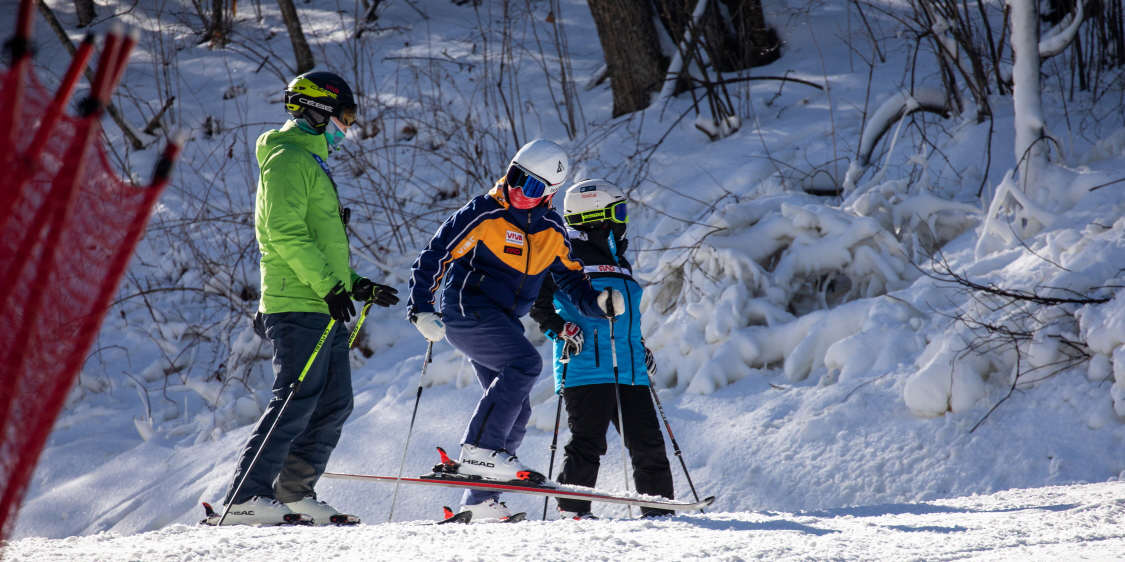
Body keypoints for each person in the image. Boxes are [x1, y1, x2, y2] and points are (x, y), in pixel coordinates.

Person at [406, 140, 624, 520]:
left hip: (502, 321)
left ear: (549, 194)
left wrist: (598, 303)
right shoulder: (484, 212)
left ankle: (480, 500)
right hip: (466, 308)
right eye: (516, 177)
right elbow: (434, 255)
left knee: (517, 406)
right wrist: (420, 308)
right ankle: (478, 450)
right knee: (525, 363)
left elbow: (571, 280)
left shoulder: (553, 230)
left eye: (534, 187)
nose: (520, 190)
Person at [217, 71, 400, 526]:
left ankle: (294, 494)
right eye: (345, 115)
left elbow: (319, 241)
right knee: (296, 397)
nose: (348, 125)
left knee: (335, 402)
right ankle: (245, 495)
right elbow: (283, 234)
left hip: (322, 303)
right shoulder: (285, 161)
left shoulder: (308, 163)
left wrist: (354, 284)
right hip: (297, 304)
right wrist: (329, 288)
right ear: (318, 112)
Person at [530, 180, 674, 520]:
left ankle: (661, 513)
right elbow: (538, 303)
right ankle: (573, 511)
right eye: (617, 212)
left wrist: (640, 347)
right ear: (594, 216)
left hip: (630, 369)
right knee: (589, 444)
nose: (623, 219)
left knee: (648, 445)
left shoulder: (619, 261)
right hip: (585, 366)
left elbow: (627, 318)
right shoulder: (566, 255)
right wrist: (560, 330)